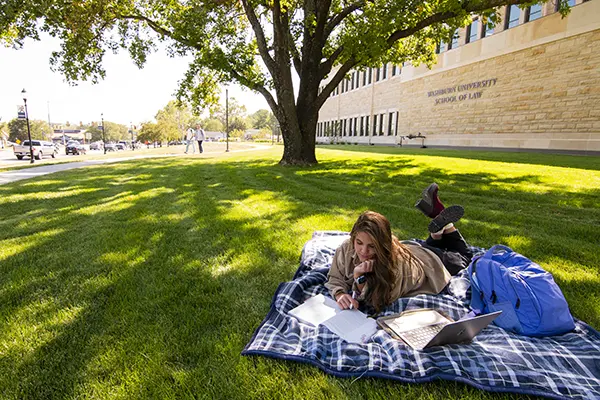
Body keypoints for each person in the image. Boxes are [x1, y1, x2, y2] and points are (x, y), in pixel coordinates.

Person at [326, 183, 472, 312]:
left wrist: (359, 278)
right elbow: (335, 277)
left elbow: (377, 302)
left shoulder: (396, 267)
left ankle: (446, 226)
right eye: (359, 243)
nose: (364, 251)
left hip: (432, 264)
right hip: (416, 250)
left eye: (372, 246)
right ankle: (437, 233)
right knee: (434, 248)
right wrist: (339, 294)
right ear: (353, 237)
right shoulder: (346, 247)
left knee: (465, 256)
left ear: (383, 244)